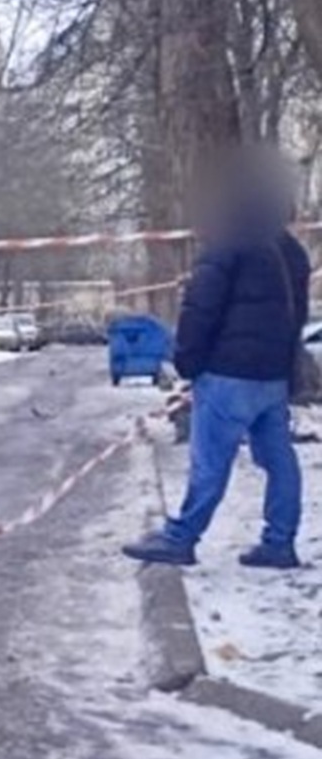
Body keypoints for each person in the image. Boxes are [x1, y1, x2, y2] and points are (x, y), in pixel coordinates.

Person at [124, 147, 311, 569]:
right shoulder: (292, 252)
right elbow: (296, 317)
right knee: (279, 460)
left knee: (210, 461)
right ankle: (280, 542)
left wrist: (187, 362)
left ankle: (181, 538)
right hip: (272, 377)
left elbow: (200, 310)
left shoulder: (226, 247)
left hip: (227, 373)